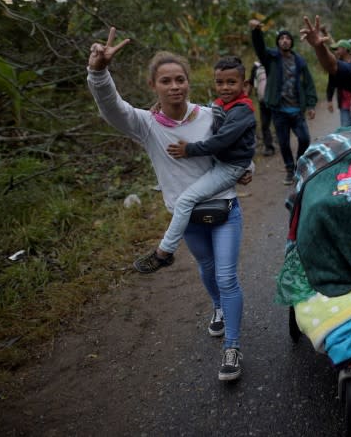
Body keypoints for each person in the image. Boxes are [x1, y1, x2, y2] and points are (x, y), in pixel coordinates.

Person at [86, 28, 250, 382]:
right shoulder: (146, 125)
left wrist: (247, 169)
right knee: (207, 270)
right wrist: (98, 72)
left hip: (224, 210)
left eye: (180, 79)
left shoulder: (211, 115)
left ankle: (232, 347)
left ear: (189, 82)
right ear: (153, 86)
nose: (174, 86)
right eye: (165, 81)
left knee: (226, 275)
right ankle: (218, 307)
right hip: (188, 217)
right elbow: (112, 109)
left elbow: (239, 146)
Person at [136, 56, 256, 279]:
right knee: (206, 262)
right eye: (220, 82)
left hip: (229, 168)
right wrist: (159, 108)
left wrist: (189, 150)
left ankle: (164, 252)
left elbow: (221, 142)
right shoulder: (221, 106)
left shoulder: (241, 111)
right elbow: (223, 129)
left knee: (185, 200)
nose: (225, 87)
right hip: (228, 164)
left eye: (231, 83)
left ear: (245, 85)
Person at [249, 20, 317, 185]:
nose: (285, 40)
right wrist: (257, 32)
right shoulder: (271, 58)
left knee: (304, 138)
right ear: (278, 42)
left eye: (287, 38)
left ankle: (299, 166)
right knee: (284, 143)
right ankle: (289, 169)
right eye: (281, 38)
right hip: (279, 110)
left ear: (291, 42)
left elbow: (308, 83)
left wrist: (311, 104)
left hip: (296, 109)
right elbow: (259, 48)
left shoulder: (300, 61)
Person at [326, 39, 351, 127]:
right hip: (344, 103)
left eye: (338, 49)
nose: (336, 51)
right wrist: (329, 100)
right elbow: (331, 83)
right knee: (345, 128)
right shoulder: (336, 66)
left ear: (345, 49)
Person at [250, 60, 276, 156]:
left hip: (275, 100)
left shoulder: (273, 62)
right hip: (263, 101)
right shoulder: (256, 67)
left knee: (279, 123)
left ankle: (281, 143)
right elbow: (251, 82)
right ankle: (269, 146)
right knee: (265, 125)